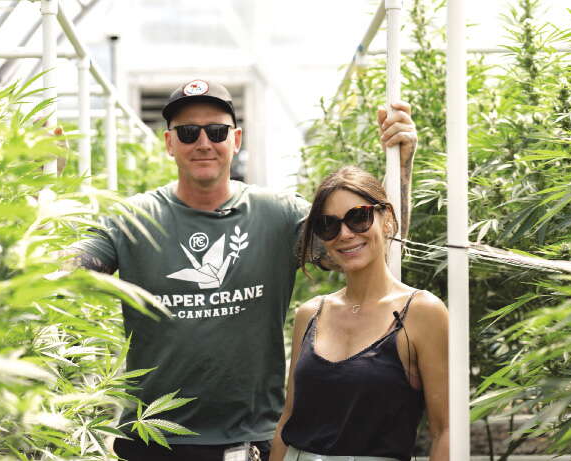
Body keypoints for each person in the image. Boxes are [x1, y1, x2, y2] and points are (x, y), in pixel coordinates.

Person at [72, 79, 419, 461]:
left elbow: (372, 247)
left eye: (216, 131)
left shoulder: (279, 213)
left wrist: (401, 165)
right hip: (150, 438)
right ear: (170, 143)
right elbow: (65, 274)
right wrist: (39, 195)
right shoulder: (131, 220)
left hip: (250, 439)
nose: (203, 143)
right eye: (188, 133)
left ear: (235, 139)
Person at [269, 166, 449, 461]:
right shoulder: (310, 314)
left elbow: (445, 431)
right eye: (328, 225)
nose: (345, 234)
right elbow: (287, 420)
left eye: (358, 217)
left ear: (386, 219)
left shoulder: (422, 312)